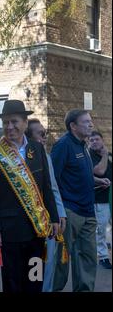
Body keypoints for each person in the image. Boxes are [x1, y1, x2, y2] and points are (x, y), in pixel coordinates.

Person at [0, 100, 59, 292]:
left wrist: (54, 217)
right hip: (9, 232)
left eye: (14, 121)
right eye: (5, 122)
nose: (9, 127)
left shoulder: (37, 148)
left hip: (37, 229)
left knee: (35, 278)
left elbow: (46, 187)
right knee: (13, 282)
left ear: (25, 122)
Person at [51, 110, 106, 292]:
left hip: (88, 212)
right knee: (62, 259)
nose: (91, 124)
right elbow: (53, 180)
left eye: (91, 121)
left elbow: (79, 173)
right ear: (73, 126)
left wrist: (97, 181)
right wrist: (58, 212)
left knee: (88, 258)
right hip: (69, 211)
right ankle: (53, 289)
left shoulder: (84, 145)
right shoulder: (63, 145)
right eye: (86, 122)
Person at [25, 118, 67, 291]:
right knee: (30, 269)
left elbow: (53, 188)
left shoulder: (45, 156)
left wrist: (60, 213)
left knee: (47, 266)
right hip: (24, 225)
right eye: (40, 134)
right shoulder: (16, 158)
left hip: (47, 220)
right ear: (29, 137)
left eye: (45, 133)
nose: (44, 137)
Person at [89, 131, 112, 269]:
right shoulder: (88, 156)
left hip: (110, 198)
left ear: (102, 140)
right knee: (101, 229)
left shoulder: (109, 156)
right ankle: (103, 257)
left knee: (108, 229)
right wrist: (104, 156)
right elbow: (99, 172)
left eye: (97, 139)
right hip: (99, 200)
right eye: (91, 140)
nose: (94, 142)